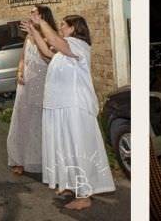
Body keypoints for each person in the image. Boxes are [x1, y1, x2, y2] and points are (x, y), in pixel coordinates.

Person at [28, 11, 116, 211]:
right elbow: (47, 53)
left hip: (74, 107)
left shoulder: (79, 46)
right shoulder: (64, 51)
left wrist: (41, 22)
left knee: (77, 148)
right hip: (61, 107)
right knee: (65, 147)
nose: (60, 28)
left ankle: (84, 195)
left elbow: (56, 42)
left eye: (63, 25)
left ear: (74, 28)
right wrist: (34, 31)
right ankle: (70, 183)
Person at [7, 4, 55, 176]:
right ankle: (20, 160)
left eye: (34, 12)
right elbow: (22, 58)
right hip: (25, 85)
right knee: (22, 122)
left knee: (39, 123)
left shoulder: (50, 37)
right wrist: (19, 72)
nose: (30, 14)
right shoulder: (28, 37)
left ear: (42, 16)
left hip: (42, 84)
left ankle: (42, 160)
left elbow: (47, 57)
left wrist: (36, 35)